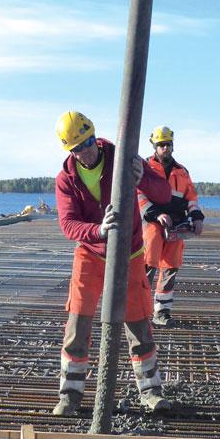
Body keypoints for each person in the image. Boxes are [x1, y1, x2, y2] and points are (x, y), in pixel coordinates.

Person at [53, 111, 172, 416]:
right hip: (90, 253)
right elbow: (68, 225)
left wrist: (142, 175)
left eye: (89, 140)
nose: (87, 149)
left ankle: (150, 391)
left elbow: (162, 194)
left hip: (129, 255)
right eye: (79, 146)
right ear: (71, 150)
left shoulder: (122, 157)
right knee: (77, 325)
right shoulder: (66, 179)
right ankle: (70, 394)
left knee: (138, 323)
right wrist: (97, 230)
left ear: (95, 135)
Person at [138, 126, 205, 327]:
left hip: (176, 226)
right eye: (161, 145)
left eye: (168, 144)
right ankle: (138, 312)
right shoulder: (145, 168)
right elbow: (138, 195)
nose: (165, 148)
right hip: (151, 225)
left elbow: (191, 197)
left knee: (170, 268)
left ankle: (162, 312)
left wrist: (196, 216)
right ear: (154, 146)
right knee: (147, 265)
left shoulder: (182, 172)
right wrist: (157, 214)